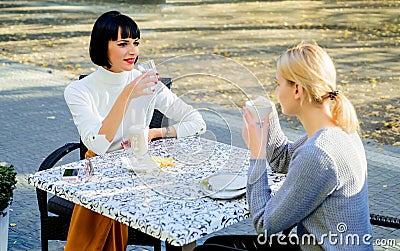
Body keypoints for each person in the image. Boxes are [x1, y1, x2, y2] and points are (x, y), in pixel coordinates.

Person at [194, 43, 372, 250]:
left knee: (209, 250)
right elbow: (283, 160)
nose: (276, 92)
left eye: (278, 84)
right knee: (216, 244)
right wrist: (269, 119)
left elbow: (264, 223)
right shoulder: (339, 129)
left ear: (297, 89)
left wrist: (257, 153)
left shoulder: (319, 153)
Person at [63, 10, 206, 250]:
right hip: (102, 175)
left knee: (186, 209)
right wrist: (128, 94)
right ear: (102, 46)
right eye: (123, 44)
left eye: (135, 43)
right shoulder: (78, 90)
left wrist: (154, 134)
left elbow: (196, 122)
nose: (133, 51)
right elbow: (98, 145)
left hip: (142, 170)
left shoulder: (146, 82)